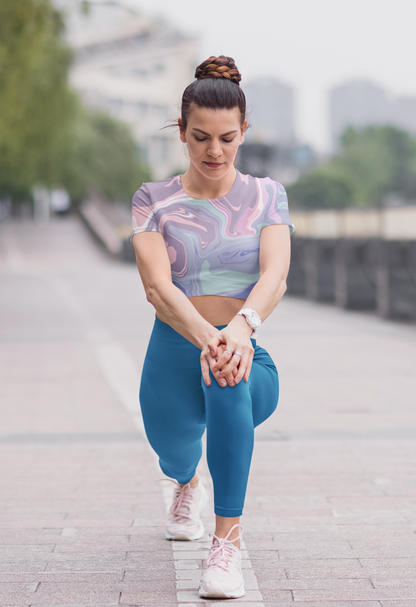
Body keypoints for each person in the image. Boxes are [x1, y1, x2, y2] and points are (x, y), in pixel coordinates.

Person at [131, 55, 294, 600]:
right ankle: (185, 482)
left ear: (244, 131)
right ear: (181, 131)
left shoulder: (269, 195)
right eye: (200, 137)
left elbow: (276, 273)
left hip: (244, 351)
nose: (214, 151)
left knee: (227, 377)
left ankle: (226, 543)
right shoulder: (152, 201)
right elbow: (157, 288)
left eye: (227, 137)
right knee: (172, 448)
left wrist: (240, 331)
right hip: (173, 351)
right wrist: (210, 337)